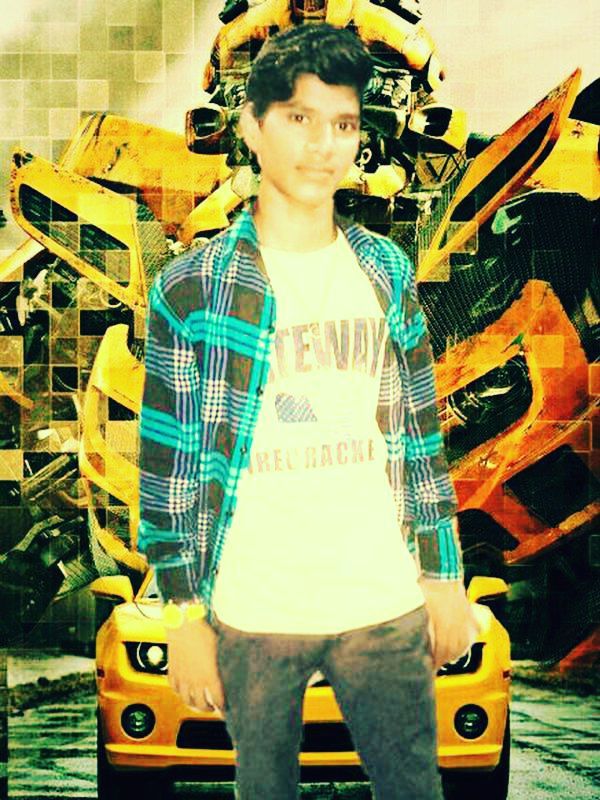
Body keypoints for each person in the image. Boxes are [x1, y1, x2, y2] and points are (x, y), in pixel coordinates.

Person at [138, 22, 479, 800]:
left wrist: (444, 576)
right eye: (300, 118)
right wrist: (182, 615)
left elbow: (418, 440)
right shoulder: (192, 289)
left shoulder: (385, 270)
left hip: (383, 605)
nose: (325, 145)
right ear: (253, 128)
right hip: (255, 613)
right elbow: (168, 470)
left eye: (344, 124)